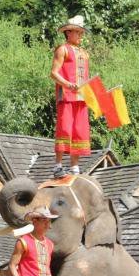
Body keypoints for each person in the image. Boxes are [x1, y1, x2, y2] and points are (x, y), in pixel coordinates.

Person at [50, 15, 91, 178]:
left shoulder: (84, 53)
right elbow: (53, 73)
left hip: (81, 97)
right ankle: (58, 165)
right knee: (64, 129)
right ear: (68, 33)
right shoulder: (63, 49)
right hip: (66, 96)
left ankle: (74, 166)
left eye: (81, 33)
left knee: (79, 130)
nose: (81, 35)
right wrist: (67, 84)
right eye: (78, 32)